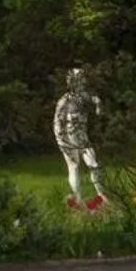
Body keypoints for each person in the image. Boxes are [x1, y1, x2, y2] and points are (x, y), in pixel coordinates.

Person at [53, 67, 108, 205]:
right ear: (76, 81)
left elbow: (95, 103)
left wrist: (98, 105)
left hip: (68, 136)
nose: (83, 81)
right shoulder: (74, 98)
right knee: (84, 165)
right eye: (81, 79)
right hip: (72, 136)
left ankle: (89, 197)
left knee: (83, 165)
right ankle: (92, 196)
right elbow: (58, 120)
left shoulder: (67, 99)